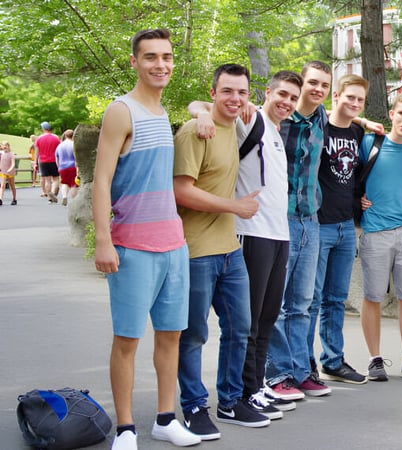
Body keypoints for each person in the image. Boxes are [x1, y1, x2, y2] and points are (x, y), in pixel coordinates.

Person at [91, 28, 200, 450]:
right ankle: (125, 429)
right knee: (127, 340)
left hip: (174, 245)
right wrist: (103, 240)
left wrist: (201, 110)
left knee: (171, 336)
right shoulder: (121, 111)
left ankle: (165, 419)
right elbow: (101, 180)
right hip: (133, 247)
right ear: (134, 62)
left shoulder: (161, 110)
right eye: (151, 57)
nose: (161, 64)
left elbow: (208, 104)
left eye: (166, 57)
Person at [174, 63, 268, 440]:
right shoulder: (194, 131)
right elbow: (181, 191)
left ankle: (229, 401)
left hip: (231, 250)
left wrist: (231, 106)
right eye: (227, 91)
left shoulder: (237, 123)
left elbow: (251, 108)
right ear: (212, 93)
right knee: (193, 333)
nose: (235, 98)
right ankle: (194, 405)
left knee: (239, 327)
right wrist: (235, 207)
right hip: (196, 250)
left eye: (242, 92)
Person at [229, 70, 304, 417]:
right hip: (252, 232)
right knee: (250, 319)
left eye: (292, 98)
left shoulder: (275, 130)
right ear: (268, 93)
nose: (287, 102)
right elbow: (204, 108)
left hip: (279, 235)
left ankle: (257, 385)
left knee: (268, 317)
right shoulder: (251, 119)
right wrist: (201, 112)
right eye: (282, 94)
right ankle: (243, 392)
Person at [264, 60, 333, 400]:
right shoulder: (276, 117)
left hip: (310, 219)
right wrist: (200, 111)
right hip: (280, 218)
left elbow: (348, 116)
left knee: (303, 303)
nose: (318, 89)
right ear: (301, 84)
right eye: (313, 83)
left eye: (324, 85)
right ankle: (277, 374)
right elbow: (217, 107)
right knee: (276, 302)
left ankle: (300, 372)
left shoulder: (321, 117)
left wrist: (365, 121)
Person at [358, 92, 402, 382]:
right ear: (391, 114)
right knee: (372, 296)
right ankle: (374, 359)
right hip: (375, 230)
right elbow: (348, 174)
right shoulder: (370, 143)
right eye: (401, 113)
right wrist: (356, 199)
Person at [310, 74, 373, 385]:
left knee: (336, 299)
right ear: (335, 96)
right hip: (318, 225)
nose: (355, 103)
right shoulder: (317, 126)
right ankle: (304, 363)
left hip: (346, 226)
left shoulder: (358, 132)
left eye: (360, 99)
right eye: (350, 97)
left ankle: (333, 360)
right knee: (310, 300)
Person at [35, 121, 60, 203]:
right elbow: (59, 150)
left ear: (43, 129)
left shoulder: (39, 138)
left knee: (47, 180)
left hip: (43, 161)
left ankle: (49, 196)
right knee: (56, 179)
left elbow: (37, 152)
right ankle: (53, 192)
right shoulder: (56, 138)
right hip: (54, 160)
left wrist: (35, 162)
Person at [55, 129, 78, 206]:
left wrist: (58, 167)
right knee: (74, 184)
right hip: (73, 166)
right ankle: (74, 200)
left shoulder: (60, 145)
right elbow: (77, 157)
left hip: (62, 167)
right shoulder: (74, 144)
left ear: (65, 135)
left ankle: (64, 196)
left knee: (64, 182)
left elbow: (57, 158)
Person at [0, 141, 18, 206]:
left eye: (6, 145)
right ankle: (0, 199)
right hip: (2, 171)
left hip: (10, 172)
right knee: (2, 185)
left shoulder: (11, 154)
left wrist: (10, 169)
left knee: (12, 185)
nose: (4, 146)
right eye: (3, 145)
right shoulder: (1, 153)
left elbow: (13, 163)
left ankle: (14, 199)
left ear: (8, 146)